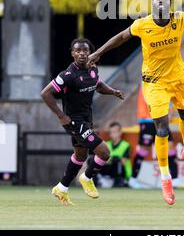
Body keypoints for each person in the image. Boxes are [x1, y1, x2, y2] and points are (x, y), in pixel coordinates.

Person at [88, 0, 184, 205]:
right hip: (155, 84)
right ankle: (166, 179)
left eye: (165, 1)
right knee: (162, 128)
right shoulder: (142, 25)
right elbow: (120, 38)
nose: (162, 3)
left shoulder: (179, 18)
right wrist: (98, 52)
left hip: (179, 77)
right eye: (158, 0)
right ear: (153, 6)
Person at [41, 38, 124, 205]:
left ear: (89, 52)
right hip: (74, 121)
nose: (81, 53)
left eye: (85, 50)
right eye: (77, 51)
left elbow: (98, 85)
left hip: (87, 118)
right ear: (72, 53)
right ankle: (87, 177)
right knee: (104, 152)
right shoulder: (67, 75)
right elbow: (45, 94)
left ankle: (61, 189)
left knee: (80, 155)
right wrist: (60, 115)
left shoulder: (92, 69)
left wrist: (113, 91)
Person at [129, 83, 184, 189]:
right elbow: (150, 97)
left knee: (170, 146)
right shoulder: (146, 79)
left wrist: (170, 110)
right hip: (147, 120)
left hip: (160, 119)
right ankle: (133, 179)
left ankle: (175, 179)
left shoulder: (163, 79)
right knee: (144, 149)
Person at [92, 122, 132, 188]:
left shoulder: (125, 145)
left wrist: (110, 159)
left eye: (114, 132)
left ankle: (120, 182)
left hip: (122, 172)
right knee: (94, 160)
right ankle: (94, 182)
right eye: (110, 132)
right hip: (108, 170)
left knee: (117, 161)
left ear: (120, 133)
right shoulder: (107, 144)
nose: (112, 134)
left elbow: (123, 162)